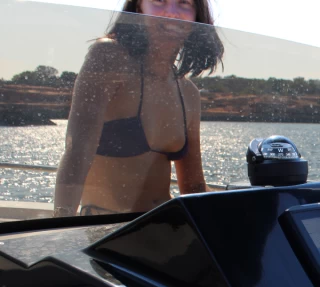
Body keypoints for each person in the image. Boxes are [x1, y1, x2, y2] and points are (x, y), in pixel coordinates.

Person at [53, 0, 224, 217]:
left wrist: (246, 203)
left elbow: (193, 188)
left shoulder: (189, 93)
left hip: (164, 228)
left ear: (197, 17)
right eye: (158, 1)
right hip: (105, 230)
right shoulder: (109, 56)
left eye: (184, 3)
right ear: (138, 8)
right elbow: (77, 150)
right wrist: (61, 221)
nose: (171, 13)